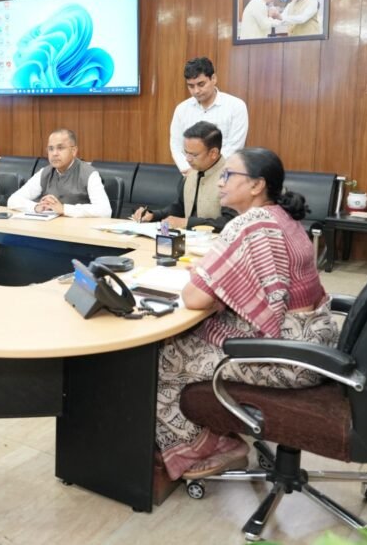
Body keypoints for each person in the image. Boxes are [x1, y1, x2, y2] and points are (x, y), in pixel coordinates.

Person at [155, 147, 339, 481]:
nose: (220, 182)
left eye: (228, 175)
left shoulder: (249, 224)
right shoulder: (282, 217)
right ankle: (215, 427)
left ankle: (211, 445)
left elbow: (193, 298)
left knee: (162, 356)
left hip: (288, 357)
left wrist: (208, 281)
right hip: (315, 342)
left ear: (256, 185)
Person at [133, 122, 237, 231]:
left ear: (213, 153)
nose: (188, 159)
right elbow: (180, 207)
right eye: (186, 152)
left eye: (194, 155)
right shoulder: (191, 173)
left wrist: (187, 223)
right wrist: (153, 215)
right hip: (189, 238)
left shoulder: (233, 177)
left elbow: (230, 222)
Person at [169, 57, 249, 176]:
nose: (196, 91)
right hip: (189, 174)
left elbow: (234, 147)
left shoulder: (236, 106)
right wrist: (190, 171)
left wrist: (207, 171)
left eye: (201, 84)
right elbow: (176, 145)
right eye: (191, 86)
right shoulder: (182, 109)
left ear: (213, 79)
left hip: (223, 175)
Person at [7, 129, 111, 217]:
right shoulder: (45, 172)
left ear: (74, 151)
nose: (54, 153)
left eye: (60, 148)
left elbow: (105, 211)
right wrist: (36, 207)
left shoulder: (89, 174)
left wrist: (64, 209)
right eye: (50, 149)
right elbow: (13, 200)